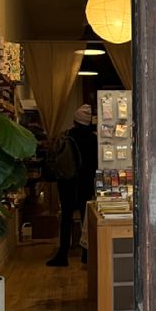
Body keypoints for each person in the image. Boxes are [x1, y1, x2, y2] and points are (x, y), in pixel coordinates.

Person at [47, 104, 98, 267]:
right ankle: (86, 254)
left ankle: (63, 255)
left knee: (66, 218)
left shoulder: (67, 136)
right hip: (86, 183)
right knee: (86, 219)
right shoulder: (94, 139)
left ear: (75, 120)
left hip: (68, 182)